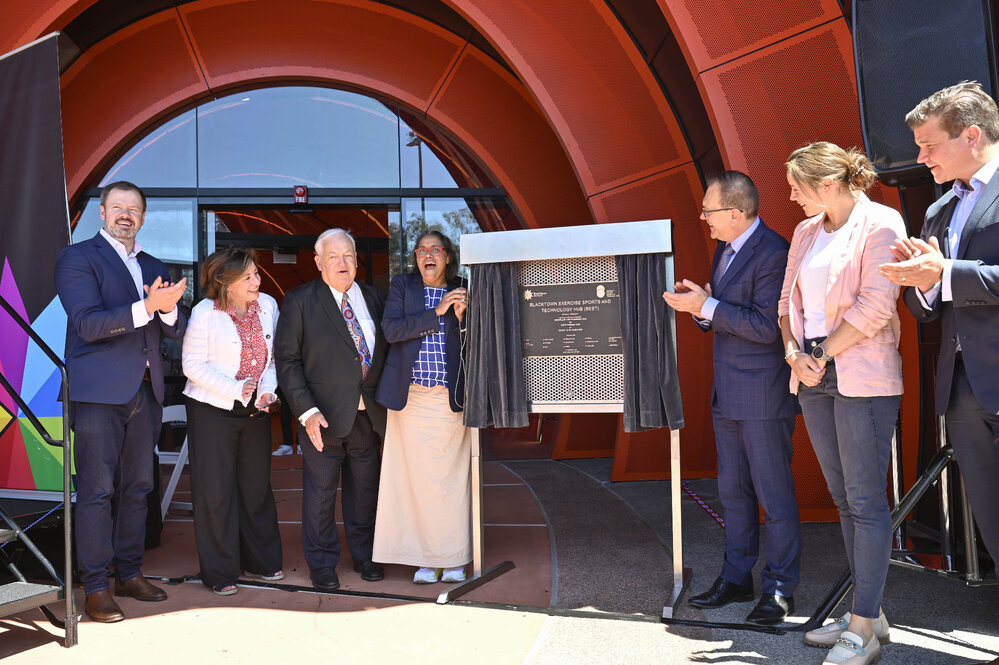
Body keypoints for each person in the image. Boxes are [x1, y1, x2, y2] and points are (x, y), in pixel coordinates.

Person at [880, 82, 999, 665]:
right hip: (961, 388)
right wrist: (921, 287)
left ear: (972, 135)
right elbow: (933, 302)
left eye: (930, 146)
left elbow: (959, 277)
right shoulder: (937, 207)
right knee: (992, 513)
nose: (921, 158)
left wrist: (946, 273)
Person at [779, 143, 905, 665]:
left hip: (862, 375)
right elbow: (787, 303)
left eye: (797, 186)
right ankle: (869, 615)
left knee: (866, 500)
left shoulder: (881, 222)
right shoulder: (806, 231)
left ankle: (862, 629)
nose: (789, 196)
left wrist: (818, 352)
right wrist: (794, 352)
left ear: (827, 183)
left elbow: (877, 305)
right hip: (811, 376)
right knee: (844, 499)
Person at [662, 171, 800, 625]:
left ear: (736, 213)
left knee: (773, 497)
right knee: (733, 494)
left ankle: (780, 590)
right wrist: (703, 306)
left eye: (709, 211)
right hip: (729, 395)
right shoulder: (726, 249)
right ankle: (737, 577)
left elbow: (767, 327)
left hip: (763, 397)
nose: (703, 219)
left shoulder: (774, 252)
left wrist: (708, 308)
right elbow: (723, 314)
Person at [54, 181, 187, 622]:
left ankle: (129, 573)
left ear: (143, 218)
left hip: (144, 394)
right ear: (103, 214)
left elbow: (174, 328)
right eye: (117, 207)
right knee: (96, 491)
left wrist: (167, 310)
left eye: (134, 209)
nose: (125, 215)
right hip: (97, 396)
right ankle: (95, 586)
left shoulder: (153, 264)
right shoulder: (78, 258)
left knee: (138, 489)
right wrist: (148, 307)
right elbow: (88, 324)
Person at [274, 228, 387, 591]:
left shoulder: (375, 298)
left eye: (349, 255)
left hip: (369, 414)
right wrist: (306, 412)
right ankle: (322, 562)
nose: (343, 263)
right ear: (319, 262)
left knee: (366, 491)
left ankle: (366, 555)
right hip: (321, 418)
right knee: (321, 495)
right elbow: (287, 361)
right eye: (334, 256)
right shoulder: (300, 300)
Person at [181, 247, 283, 596]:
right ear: (226, 283)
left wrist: (266, 392)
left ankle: (262, 562)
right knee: (216, 492)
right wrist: (237, 389)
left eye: (256, 273)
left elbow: (273, 360)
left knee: (256, 488)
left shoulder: (268, 305)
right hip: (211, 411)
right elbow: (192, 366)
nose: (258, 280)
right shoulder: (205, 313)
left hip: (256, 409)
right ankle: (220, 572)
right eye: (248, 277)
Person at [373, 231, 470, 584]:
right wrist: (438, 311)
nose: (427, 255)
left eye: (435, 250)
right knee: (413, 483)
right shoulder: (402, 285)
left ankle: (454, 557)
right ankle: (426, 559)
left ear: (447, 257)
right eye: (421, 250)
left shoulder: (463, 286)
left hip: (448, 398)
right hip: (410, 399)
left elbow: (477, 338)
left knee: (448, 481)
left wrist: (463, 318)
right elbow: (392, 331)